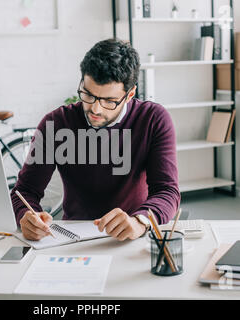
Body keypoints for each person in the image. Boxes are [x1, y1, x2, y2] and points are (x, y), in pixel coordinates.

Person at [10, 38, 180, 241]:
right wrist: (26, 216)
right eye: (88, 95)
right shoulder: (56, 123)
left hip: (133, 236)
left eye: (109, 101)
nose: (95, 109)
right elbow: (24, 191)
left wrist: (140, 221)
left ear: (130, 94)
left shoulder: (153, 119)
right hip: (73, 237)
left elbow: (167, 191)